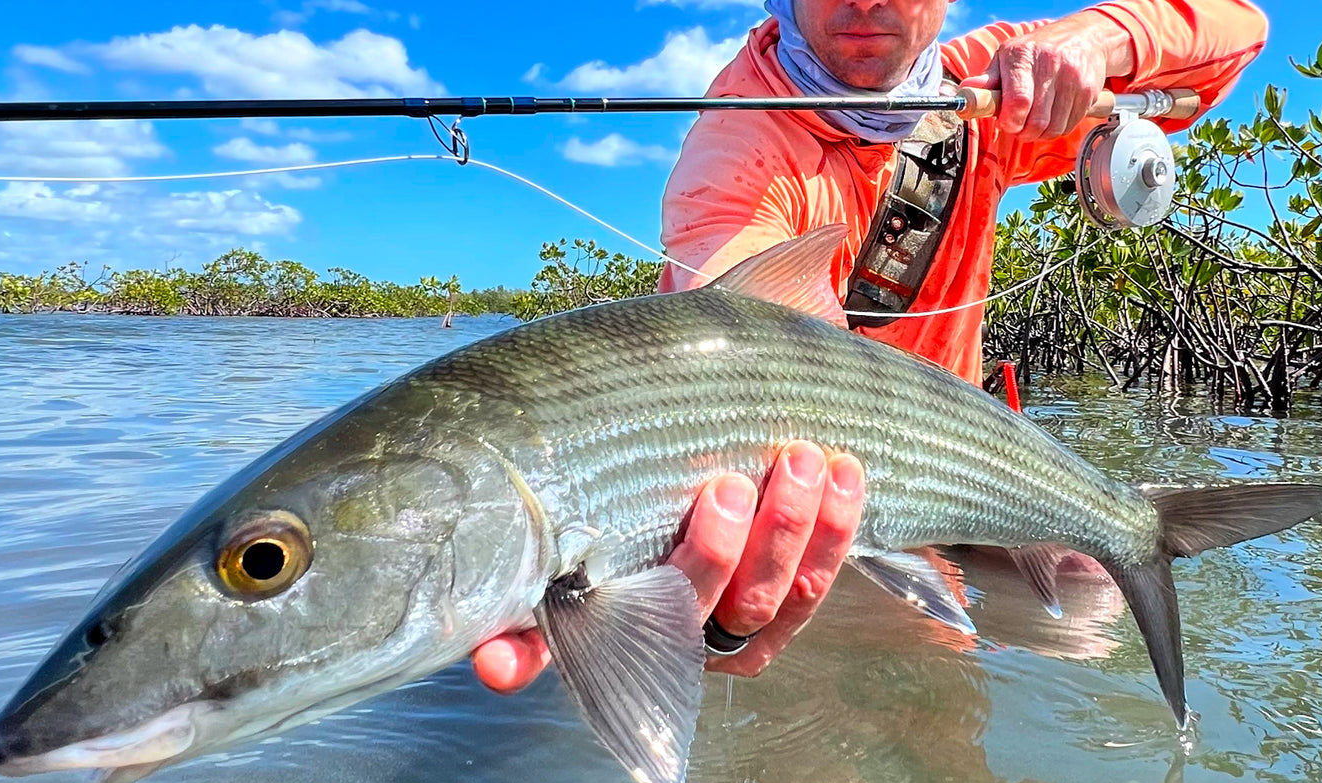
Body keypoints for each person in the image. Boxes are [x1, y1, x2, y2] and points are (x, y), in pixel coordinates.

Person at [472, 0, 1268, 694]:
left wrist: (1097, 42)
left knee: (1086, 600)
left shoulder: (982, 87)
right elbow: (744, 355)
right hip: (832, 489)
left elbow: (1234, 37)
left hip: (960, 471)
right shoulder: (742, 138)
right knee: (831, 647)